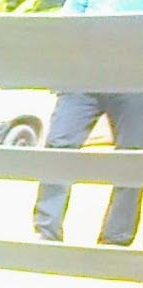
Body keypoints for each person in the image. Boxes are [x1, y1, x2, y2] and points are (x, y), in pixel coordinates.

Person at [33, 0, 143, 246]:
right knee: (59, 145)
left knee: (133, 157)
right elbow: (70, 18)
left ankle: (116, 240)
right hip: (84, 74)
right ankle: (46, 233)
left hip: (135, 76)